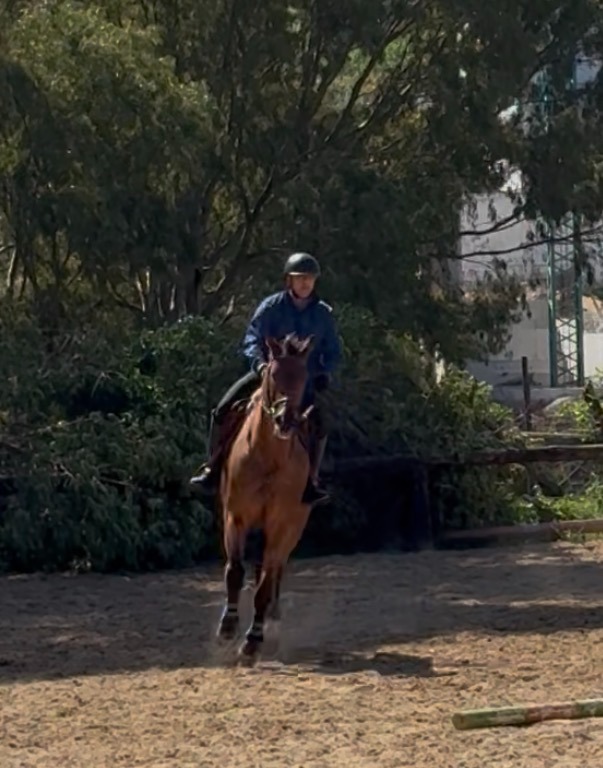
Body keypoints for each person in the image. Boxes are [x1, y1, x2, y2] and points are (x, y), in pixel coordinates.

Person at [190, 251, 342, 506]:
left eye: (310, 278)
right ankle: (212, 470)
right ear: (289, 281)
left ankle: (312, 481)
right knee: (223, 409)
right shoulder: (271, 307)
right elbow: (251, 339)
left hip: (303, 381)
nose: (305, 283)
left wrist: (324, 371)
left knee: (322, 422)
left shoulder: (323, 314)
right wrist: (260, 365)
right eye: (300, 278)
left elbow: (334, 349)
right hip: (268, 376)